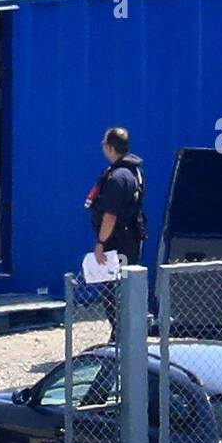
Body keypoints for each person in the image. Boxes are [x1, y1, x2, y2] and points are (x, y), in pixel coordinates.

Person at [85, 126, 146, 339]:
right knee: (122, 291)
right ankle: (122, 335)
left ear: (110, 147)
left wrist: (101, 242)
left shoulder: (118, 177)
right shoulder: (133, 172)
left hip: (117, 244)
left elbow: (110, 216)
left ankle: (122, 337)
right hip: (129, 241)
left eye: (104, 143)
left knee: (113, 292)